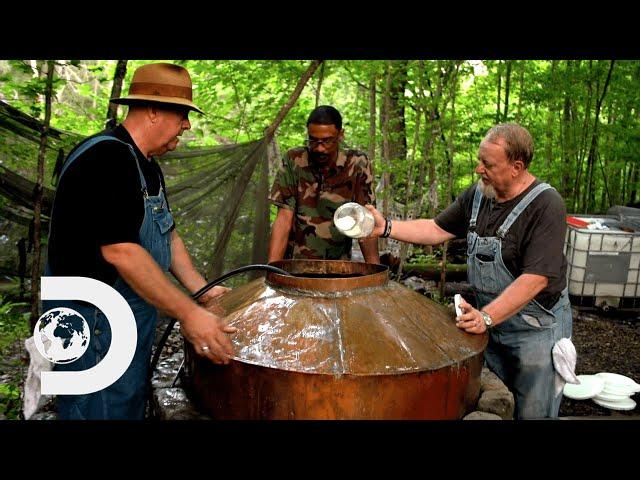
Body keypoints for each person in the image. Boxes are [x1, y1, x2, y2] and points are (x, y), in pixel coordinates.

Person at [44, 63, 236, 420]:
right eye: (182, 114)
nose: (187, 125)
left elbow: (168, 232)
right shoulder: (106, 158)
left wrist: (203, 291)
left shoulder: (144, 162)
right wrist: (189, 313)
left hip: (122, 320)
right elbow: (122, 252)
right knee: (97, 411)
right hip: (90, 323)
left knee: (125, 405)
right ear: (152, 111)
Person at [365, 123, 572, 419]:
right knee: (499, 394)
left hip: (536, 326)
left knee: (534, 410)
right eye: (479, 160)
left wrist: (487, 316)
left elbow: (536, 278)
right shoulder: (479, 195)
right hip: (491, 321)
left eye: (487, 164)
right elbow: (436, 228)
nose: (478, 169)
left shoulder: (546, 205)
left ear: (516, 167)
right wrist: (386, 227)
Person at [268, 105, 380, 264]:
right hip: (294, 265)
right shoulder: (294, 160)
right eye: (313, 141)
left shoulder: (357, 164)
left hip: (338, 266)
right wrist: (272, 270)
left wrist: (375, 272)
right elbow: (284, 218)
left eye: (327, 141)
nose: (320, 148)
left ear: (341, 135)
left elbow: (366, 222)